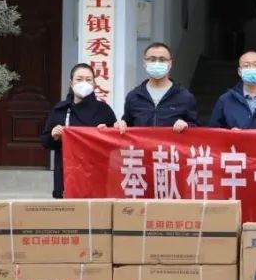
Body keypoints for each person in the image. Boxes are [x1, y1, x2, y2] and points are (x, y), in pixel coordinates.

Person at [40, 63, 117, 199]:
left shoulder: (104, 110)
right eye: (79, 79)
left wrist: (107, 134)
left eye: (88, 80)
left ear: (94, 84)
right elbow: (45, 142)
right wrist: (54, 135)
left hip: (96, 175)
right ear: (71, 83)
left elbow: (116, 145)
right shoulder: (60, 110)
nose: (84, 83)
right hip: (67, 174)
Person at [115, 42, 198, 133]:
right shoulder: (134, 96)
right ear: (144, 63)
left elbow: (198, 129)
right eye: (152, 59)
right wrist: (121, 124)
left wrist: (187, 125)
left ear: (170, 63)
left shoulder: (184, 97)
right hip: (144, 142)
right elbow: (127, 125)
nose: (157, 63)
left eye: (162, 60)